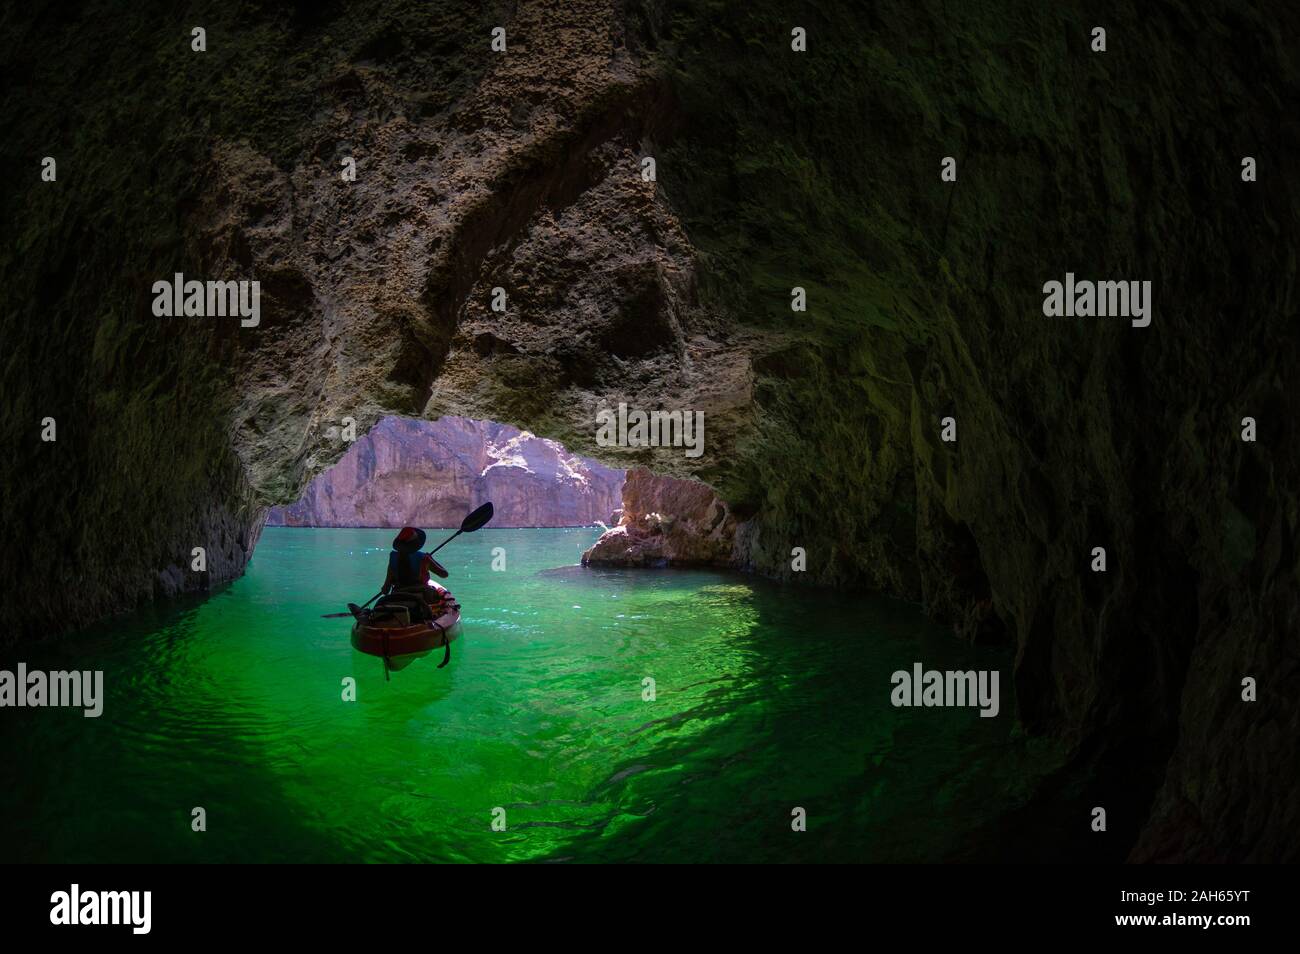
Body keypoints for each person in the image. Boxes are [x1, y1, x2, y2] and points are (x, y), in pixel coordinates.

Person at [382, 527, 450, 614]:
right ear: (416, 544)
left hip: (398, 596)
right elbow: (444, 574)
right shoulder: (424, 558)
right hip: (423, 596)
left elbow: (385, 590)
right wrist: (431, 559)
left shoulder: (393, 558)